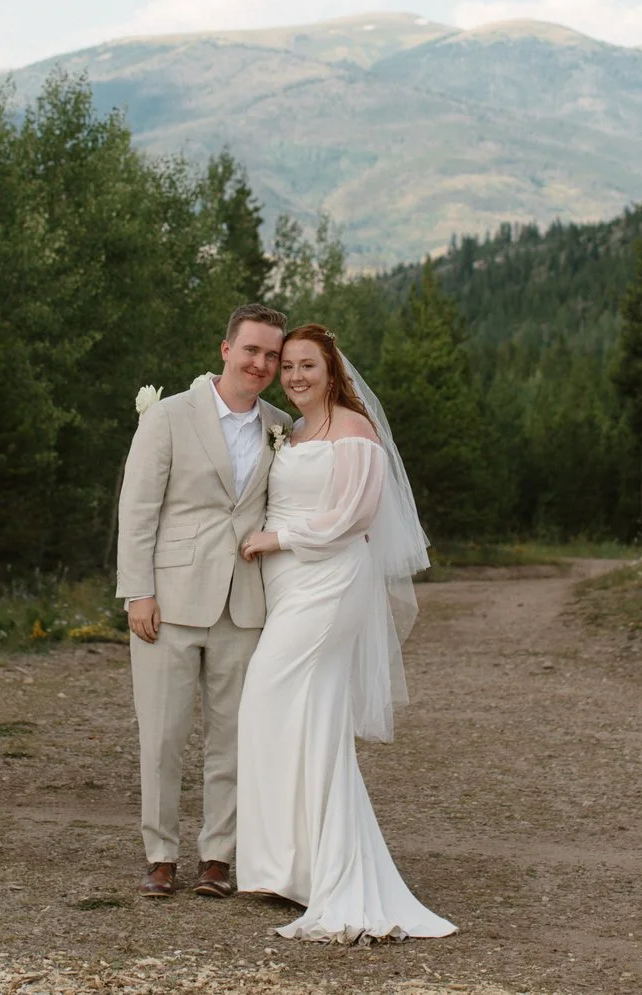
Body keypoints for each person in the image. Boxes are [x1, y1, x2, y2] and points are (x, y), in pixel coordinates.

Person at [233, 323, 456, 942]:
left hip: (329, 583)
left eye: (308, 365)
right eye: (288, 367)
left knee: (272, 698)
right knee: (302, 714)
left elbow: (353, 516)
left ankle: (326, 870)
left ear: (333, 371)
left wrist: (278, 539)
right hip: (287, 584)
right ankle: (292, 867)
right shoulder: (296, 432)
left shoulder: (355, 432)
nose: (296, 376)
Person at [114, 302, 294, 900]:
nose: (262, 363)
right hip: (167, 603)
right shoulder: (169, 417)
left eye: (272, 354)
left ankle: (217, 857)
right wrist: (138, 591)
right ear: (225, 349)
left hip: (245, 606)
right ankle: (160, 854)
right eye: (252, 350)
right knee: (161, 737)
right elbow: (138, 509)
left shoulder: (280, 426)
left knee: (232, 739)